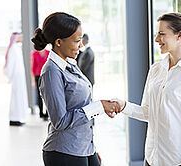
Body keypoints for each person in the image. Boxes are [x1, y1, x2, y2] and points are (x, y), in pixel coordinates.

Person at [116, 13, 181, 166]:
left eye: (161, 34)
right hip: (151, 158)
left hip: (176, 161)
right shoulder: (156, 69)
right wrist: (123, 106)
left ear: (179, 36)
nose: (156, 39)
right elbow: (148, 112)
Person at [31, 12, 120, 166]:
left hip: (83, 147)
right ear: (59, 42)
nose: (81, 46)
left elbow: (79, 106)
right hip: (64, 153)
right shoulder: (51, 72)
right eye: (77, 41)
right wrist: (99, 106)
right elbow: (60, 121)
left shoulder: (70, 63)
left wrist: (89, 146)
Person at [4, 32, 28, 126]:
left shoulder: (16, 48)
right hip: (16, 77)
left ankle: (18, 117)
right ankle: (14, 118)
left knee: (20, 97)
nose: (21, 38)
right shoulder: (13, 49)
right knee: (16, 98)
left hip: (20, 77)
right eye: (20, 37)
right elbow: (10, 64)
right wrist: (10, 76)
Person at [31, 49, 49, 120]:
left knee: (48, 95)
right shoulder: (34, 54)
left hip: (46, 75)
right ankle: (41, 113)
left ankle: (47, 113)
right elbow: (33, 67)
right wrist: (33, 81)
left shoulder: (48, 52)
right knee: (39, 95)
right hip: (37, 76)